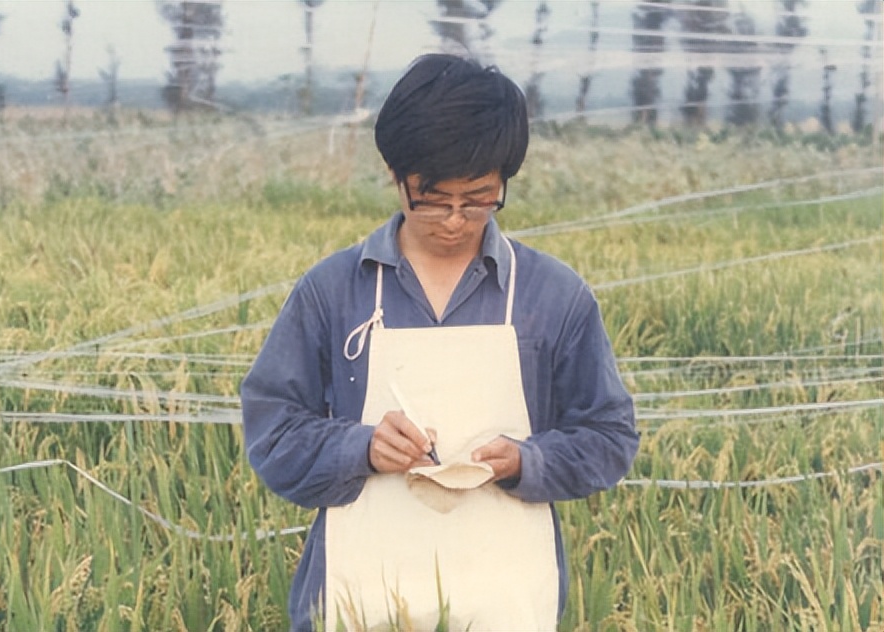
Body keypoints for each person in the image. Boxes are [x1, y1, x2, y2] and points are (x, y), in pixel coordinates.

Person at [241, 53, 639, 632]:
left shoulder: (553, 297)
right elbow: (272, 434)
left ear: (504, 182)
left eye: (478, 198)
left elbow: (609, 436)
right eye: (432, 199)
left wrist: (529, 461)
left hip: (504, 594)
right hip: (359, 594)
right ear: (397, 177)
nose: (455, 219)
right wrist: (362, 447)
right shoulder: (333, 291)